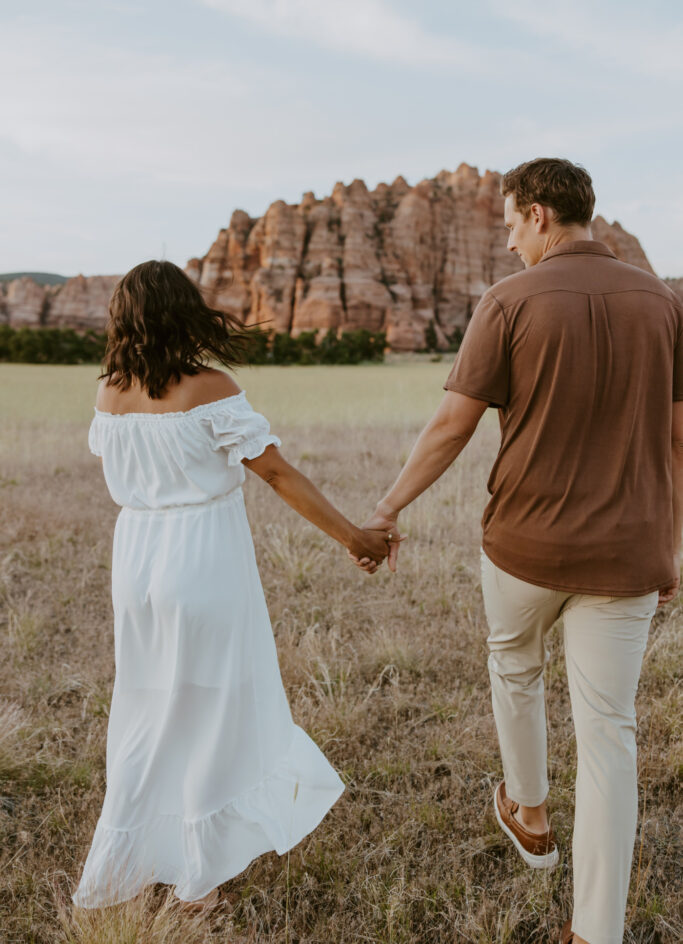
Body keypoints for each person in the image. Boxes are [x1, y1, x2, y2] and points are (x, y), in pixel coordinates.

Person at [352, 158, 683, 944]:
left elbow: (450, 426)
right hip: (629, 554)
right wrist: (668, 546)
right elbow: (677, 439)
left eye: (508, 225)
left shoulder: (507, 302)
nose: (506, 244)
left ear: (537, 214)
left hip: (524, 546)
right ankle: (595, 930)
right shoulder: (662, 302)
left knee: (514, 665)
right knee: (609, 730)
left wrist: (388, 508)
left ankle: (528, 812)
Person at [72, 260, 390, 912]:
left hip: (135, 563)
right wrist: (354, 537)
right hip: (201, 556)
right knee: (212, 710)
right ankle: (200, 877)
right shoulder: (209, 387)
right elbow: (273, 474)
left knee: (147, 704)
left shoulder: (108, 393)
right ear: (183, 312)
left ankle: (138, 854)